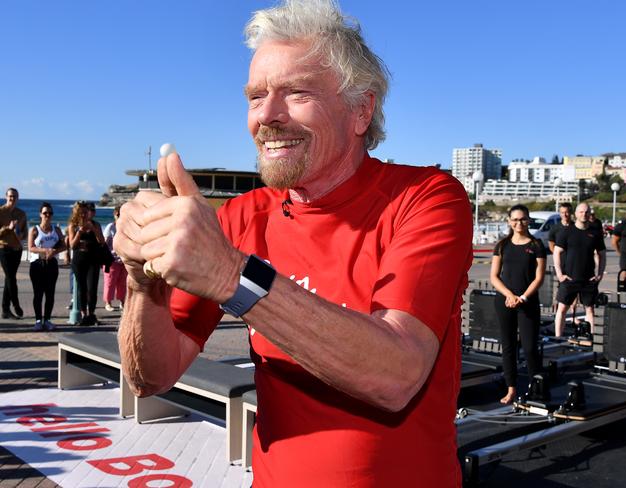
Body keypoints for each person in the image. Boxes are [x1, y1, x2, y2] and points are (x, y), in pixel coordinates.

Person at [114, 1, 473, 486]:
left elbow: (397, 374)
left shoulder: (424, 198)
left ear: (361, 109)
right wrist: (143, 282)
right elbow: (150, 378)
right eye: (255, 96)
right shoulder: (244, 216)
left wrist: (229, 274)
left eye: (296, 92)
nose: (267, 116)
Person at [490, 205, 545, 404]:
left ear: (528, 220)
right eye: (514, 219)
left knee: (530, 347)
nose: (518, 223)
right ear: (509, 221)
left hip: (527, 302)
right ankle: (511, 388)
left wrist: (522, 297)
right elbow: (494, 277)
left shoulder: (537, 245)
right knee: (508, 346)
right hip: (505, 301)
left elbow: (538, 278)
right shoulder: (502, 245)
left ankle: (536, 387)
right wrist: (509, 295)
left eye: (522, 219)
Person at [553, 203, 606, 337]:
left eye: (587, 212)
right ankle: (558, 338)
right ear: (576, 214)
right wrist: (560, 274)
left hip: (588, 280)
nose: (584, 214)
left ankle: (592, 339)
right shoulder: (566, 232)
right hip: (569, 278)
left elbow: (602, 254)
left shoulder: (595, 233)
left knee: (590, 310)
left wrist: (599, 275)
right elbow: (556, 252)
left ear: (590, 214)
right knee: (562, 309)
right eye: (581, 212)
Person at [27, 202, 66, 331]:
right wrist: (45, 250)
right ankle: (38, 320)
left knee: (50, 294)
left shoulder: (56, 230)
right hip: (37, 264)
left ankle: (47, 319)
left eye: (50, 213)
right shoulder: (34, 229)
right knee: (38, 293)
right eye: (45, 213)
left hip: (51, 265)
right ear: (40, 214)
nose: (47, 215)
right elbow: (31, 247)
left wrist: (54, 251)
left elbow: (64, 245)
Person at [68, 201, 105, 325]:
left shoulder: (95, 224)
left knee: (92, 288)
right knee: (82, 288)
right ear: (76, 213)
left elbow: (101, 241)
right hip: (79, 260)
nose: (84, 215)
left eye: (85, 212)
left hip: (93, 260)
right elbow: (72, 245)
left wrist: (93, 229)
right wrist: (80, 232)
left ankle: (91, 314)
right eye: (81, 212)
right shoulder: (73, 225)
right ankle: (84, 314)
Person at [0, 188, 27, 320]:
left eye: (15, 196)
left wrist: (20, 235)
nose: (12, 199)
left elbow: (25, 233)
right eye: (10, 196)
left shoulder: (21, 214)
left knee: (8, 279)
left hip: (17, 250)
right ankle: (16, 304)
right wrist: (8, 228)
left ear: (18, 198)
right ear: (6, 197)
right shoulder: (1, 212)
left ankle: (5, 310)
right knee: (11, 278)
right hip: (4, 249)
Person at [103, 205, 126, 311]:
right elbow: (104, 244)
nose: (119, 216)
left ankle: (122, 301)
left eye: (121, 214)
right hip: (111, 260)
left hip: (123, 260)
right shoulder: (110, 227)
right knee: (110, 282)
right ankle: (108, 302)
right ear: (114, 215)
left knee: (122, 282)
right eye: (117, 214)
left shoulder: (126, 227)